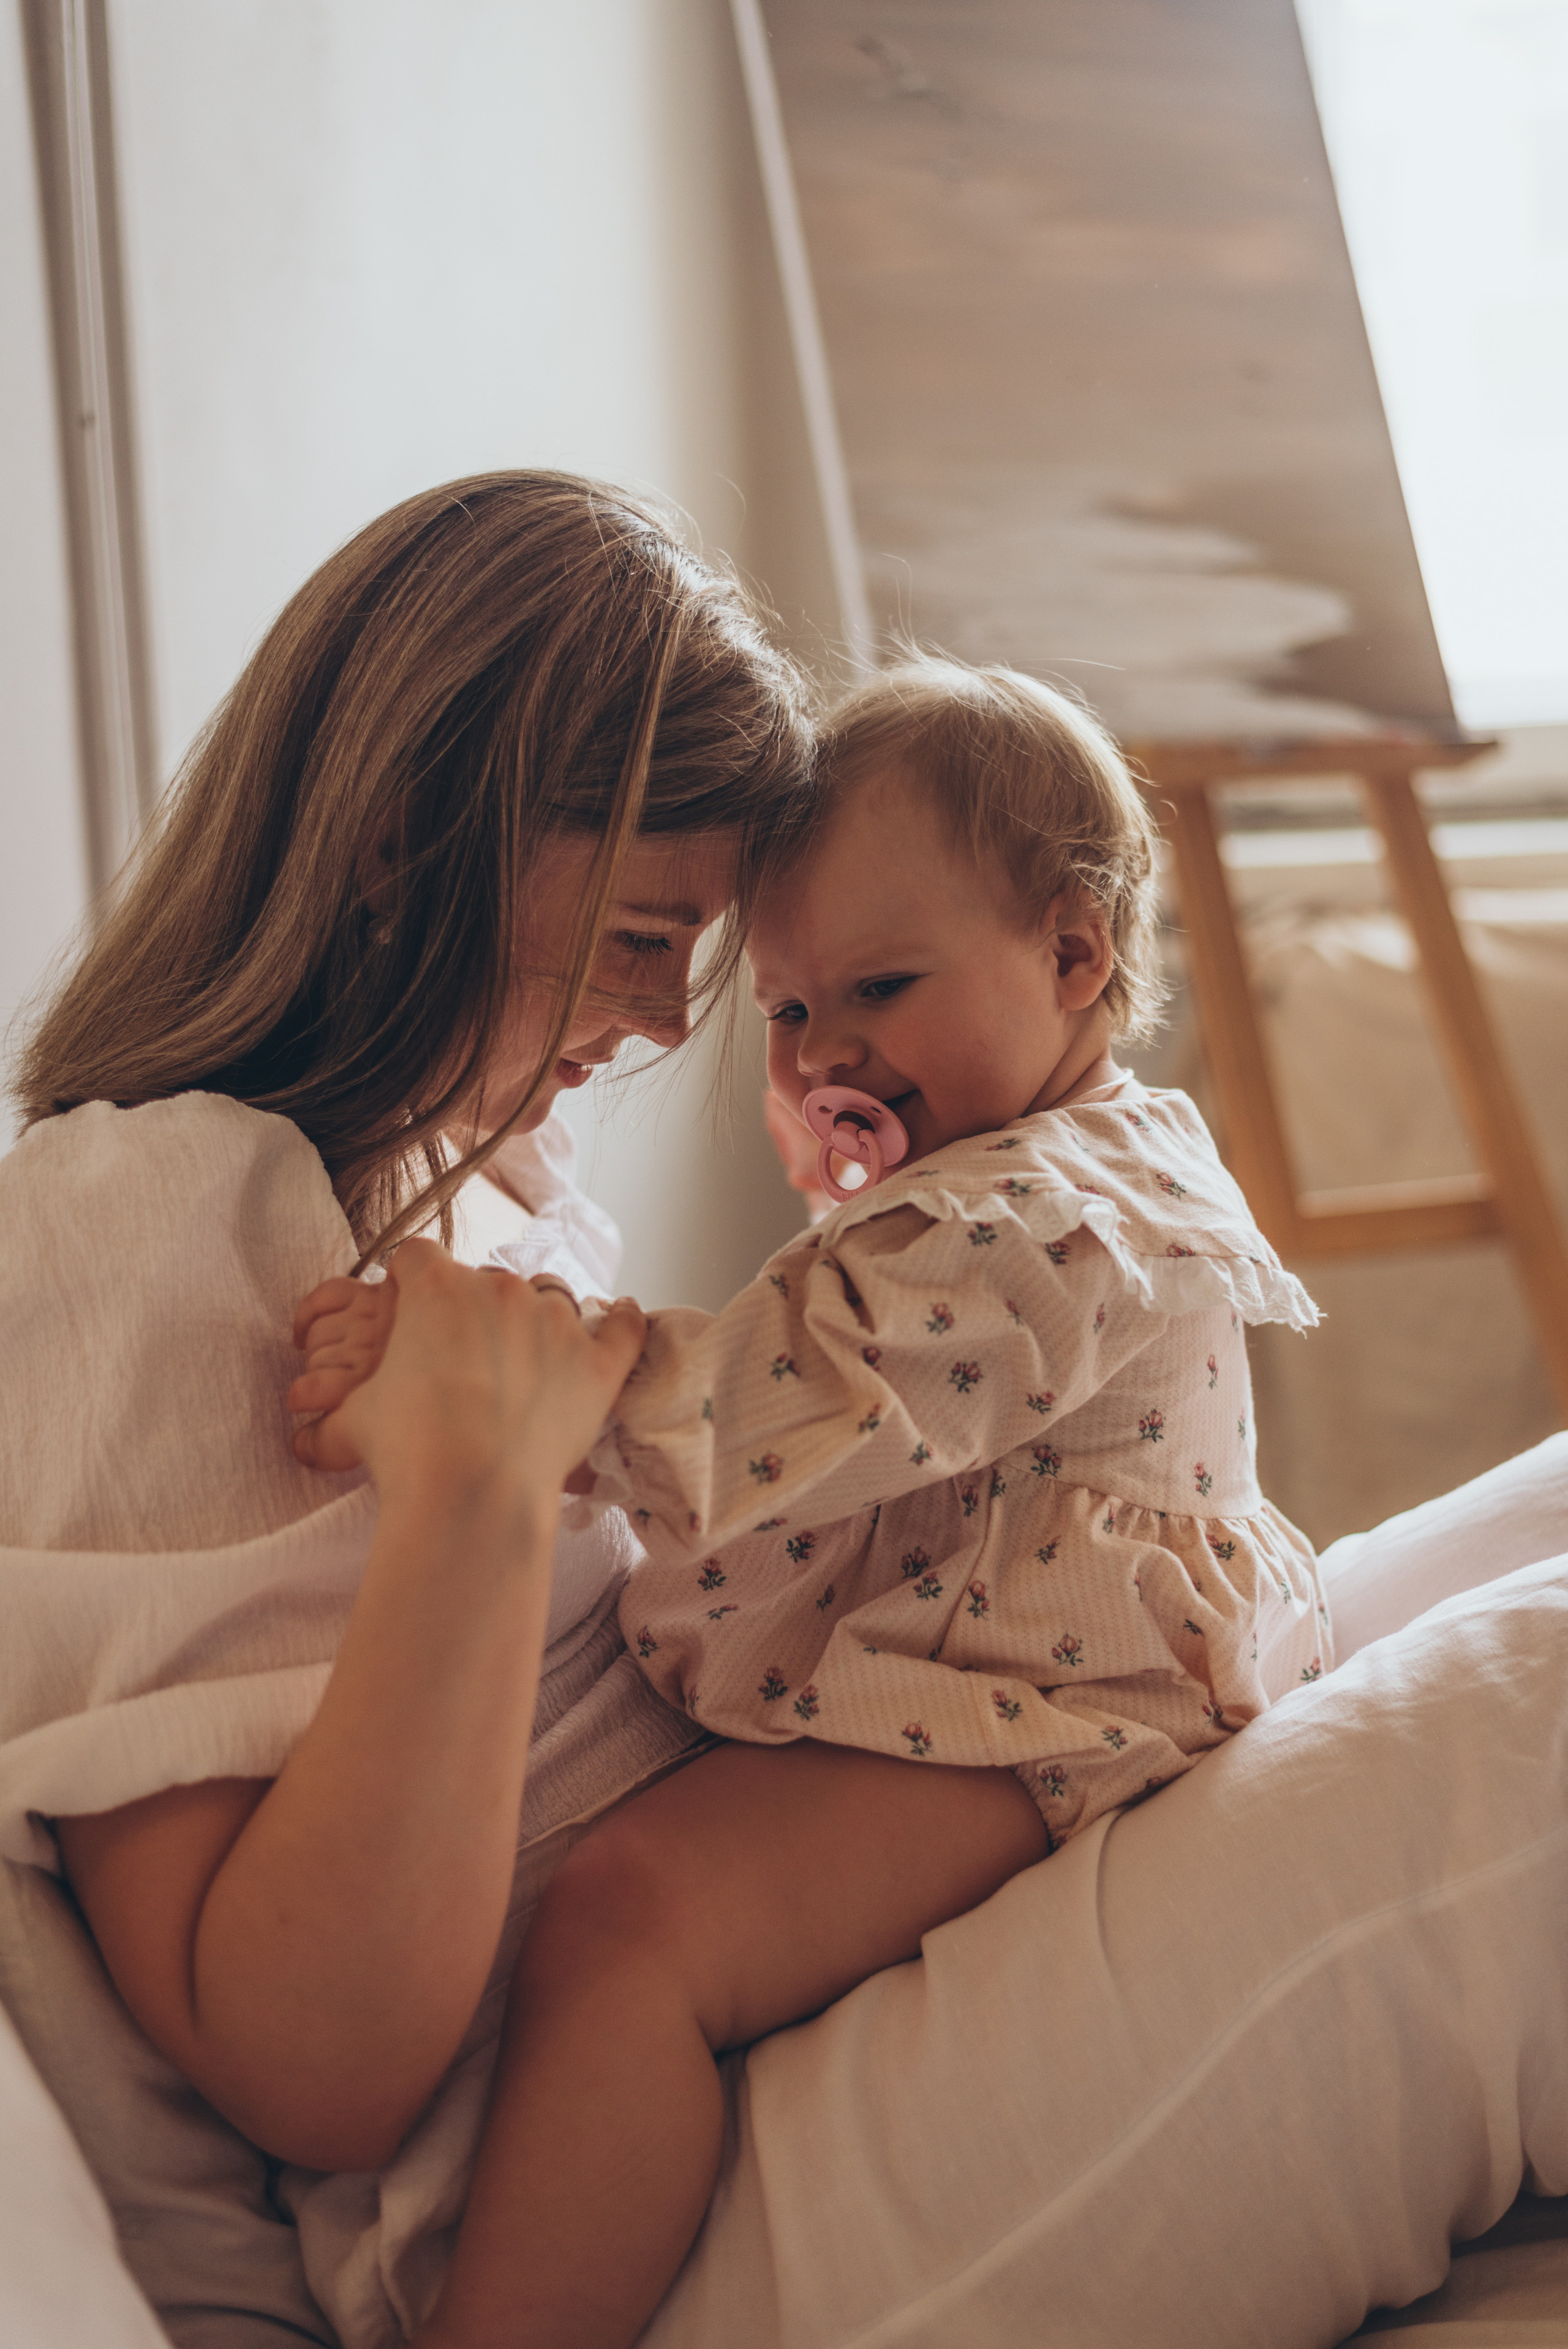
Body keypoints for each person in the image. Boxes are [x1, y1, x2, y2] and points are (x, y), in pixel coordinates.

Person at [291, 659, 1329, 2349]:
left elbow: (787, 1399)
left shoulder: (1034, 1220)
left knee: (628, 1926)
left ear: (1074, 955)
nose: (833, 1047)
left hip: (1065, 1694)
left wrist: (490, 1357)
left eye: (883, 987)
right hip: (1045, 1650)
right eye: (789, 1012)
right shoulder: (1072, 1150)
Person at [0, 470, 818, 2348]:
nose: (671, 1014)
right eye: (637, 936)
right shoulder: (146, 1212)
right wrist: (474, 1487)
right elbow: (309, 2062)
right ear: (395, 844)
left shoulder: (496, 1200)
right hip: (581, 2167)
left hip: (735, 2008)